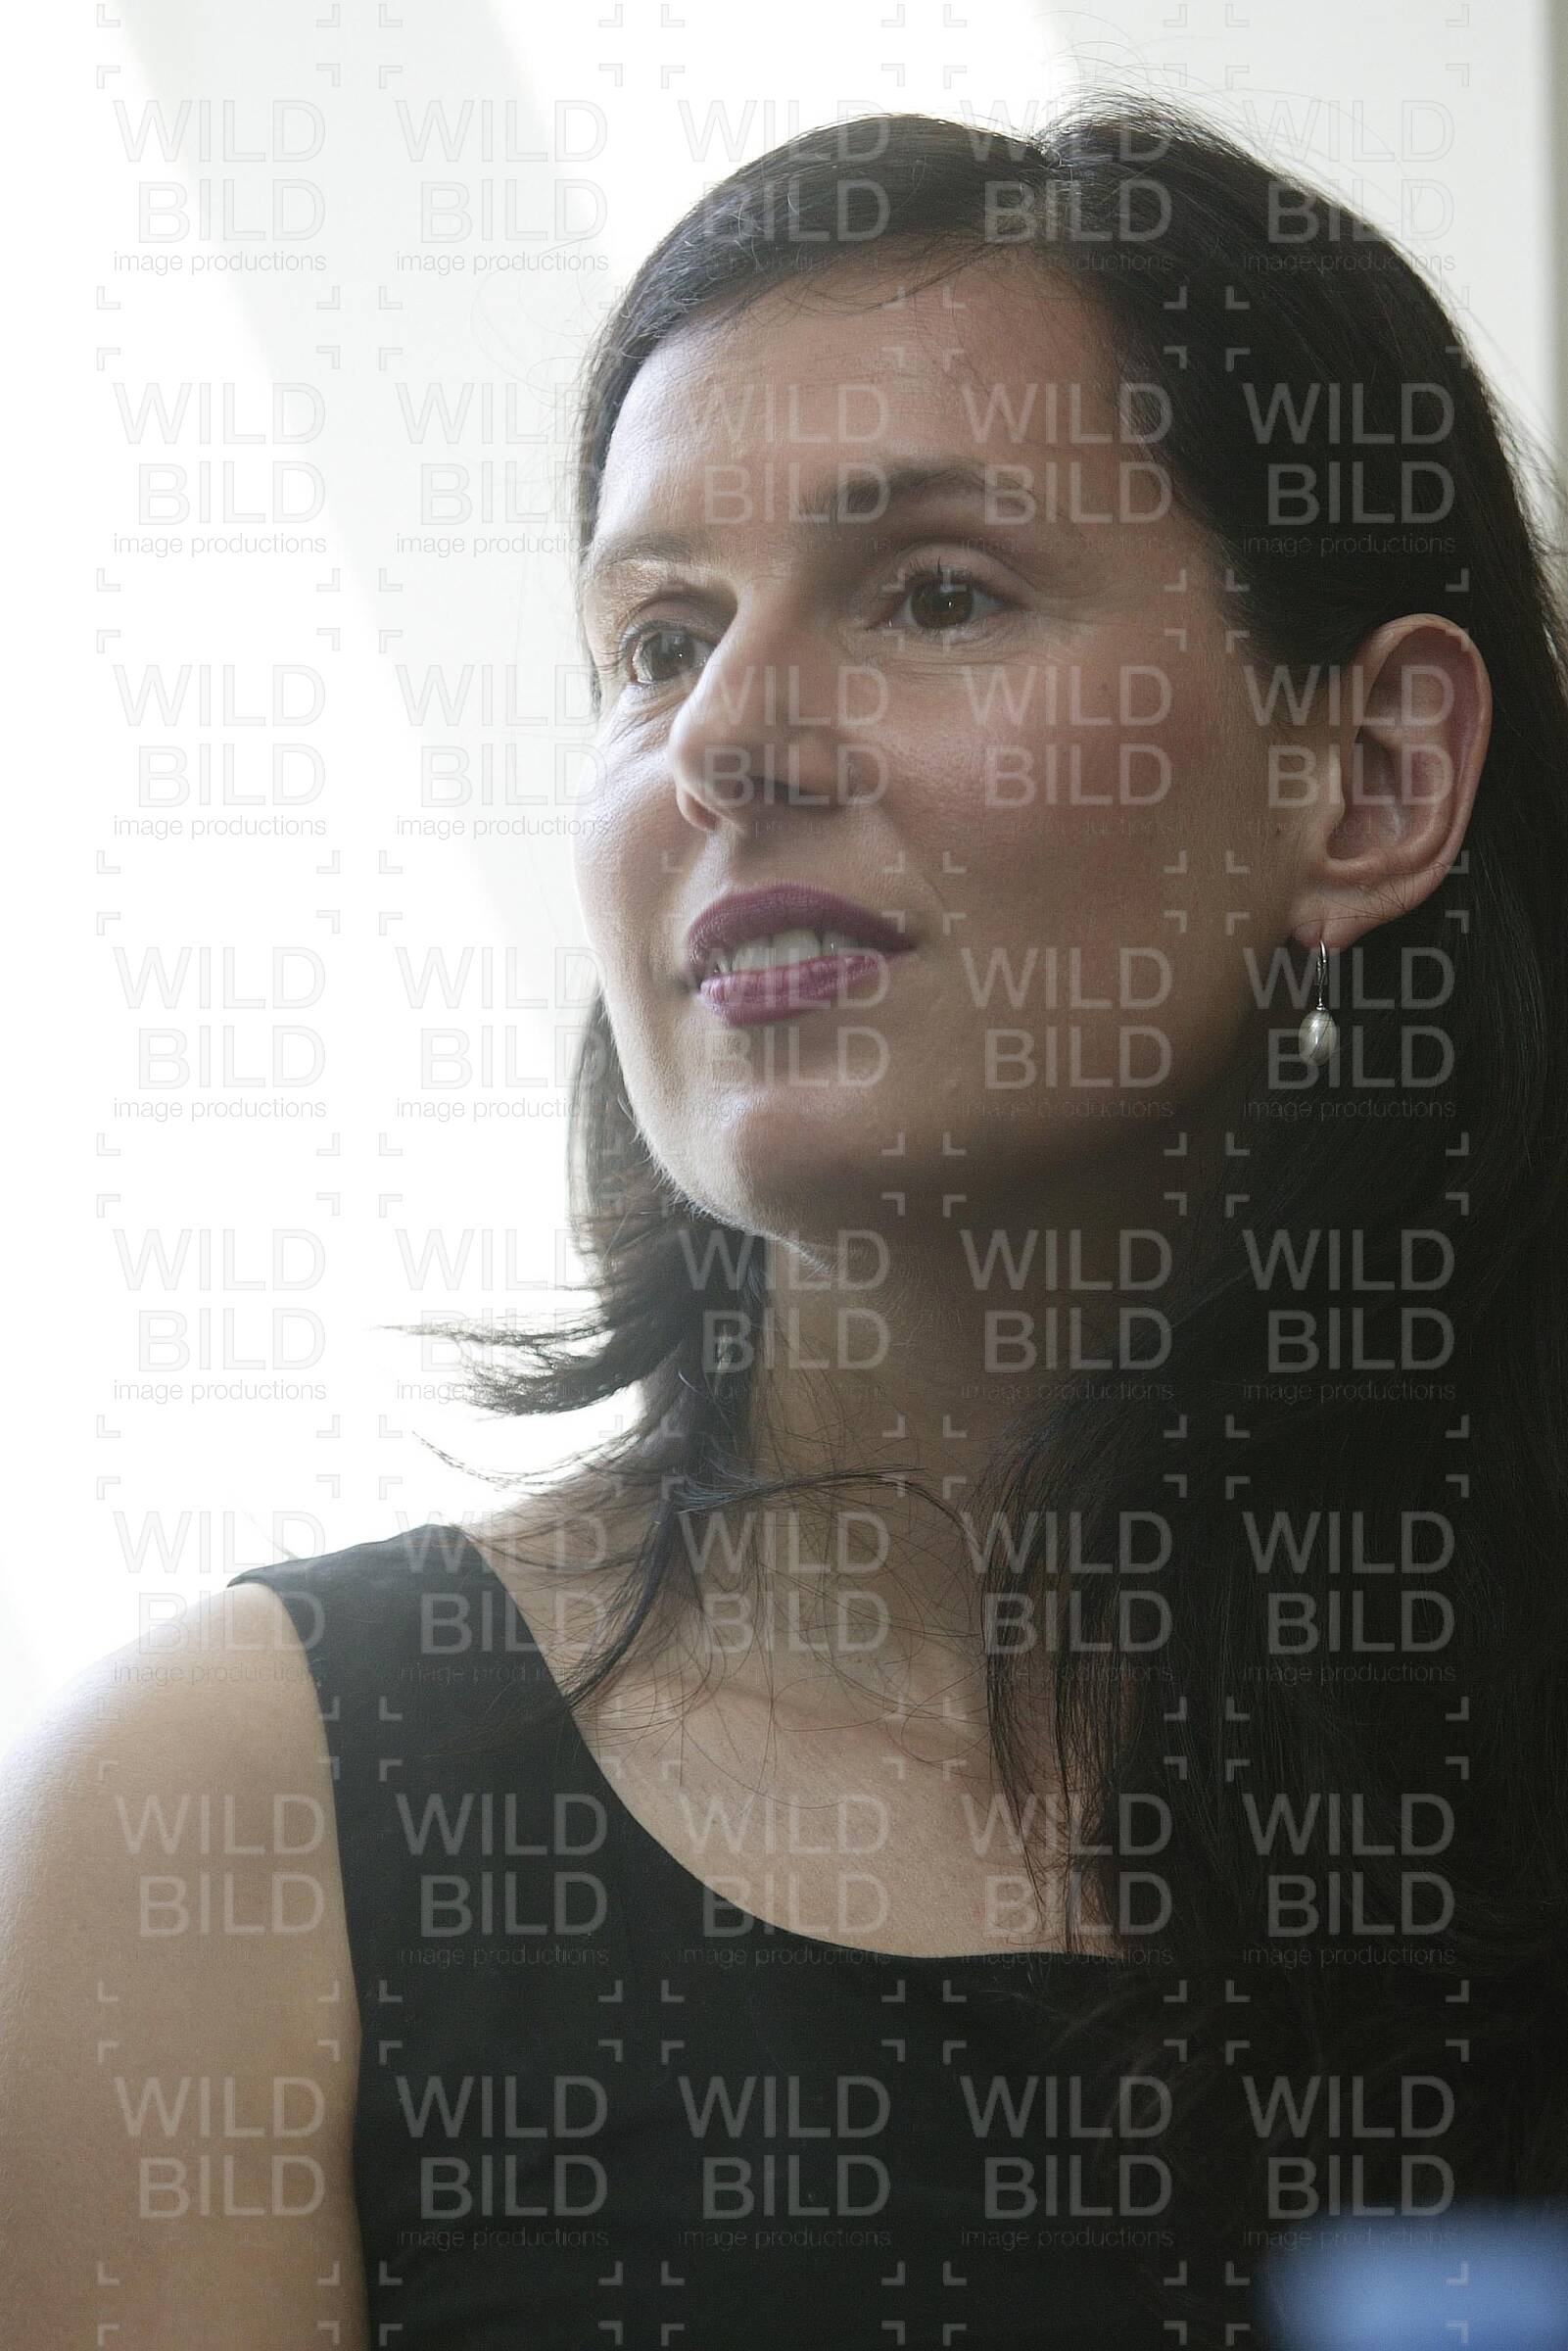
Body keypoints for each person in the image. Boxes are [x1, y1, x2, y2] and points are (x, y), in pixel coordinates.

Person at [7, 98, 1568, 2348]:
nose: (724, 741)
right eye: (655, 641)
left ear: (1374, 776)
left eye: (936, 594)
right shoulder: (239, 1816)